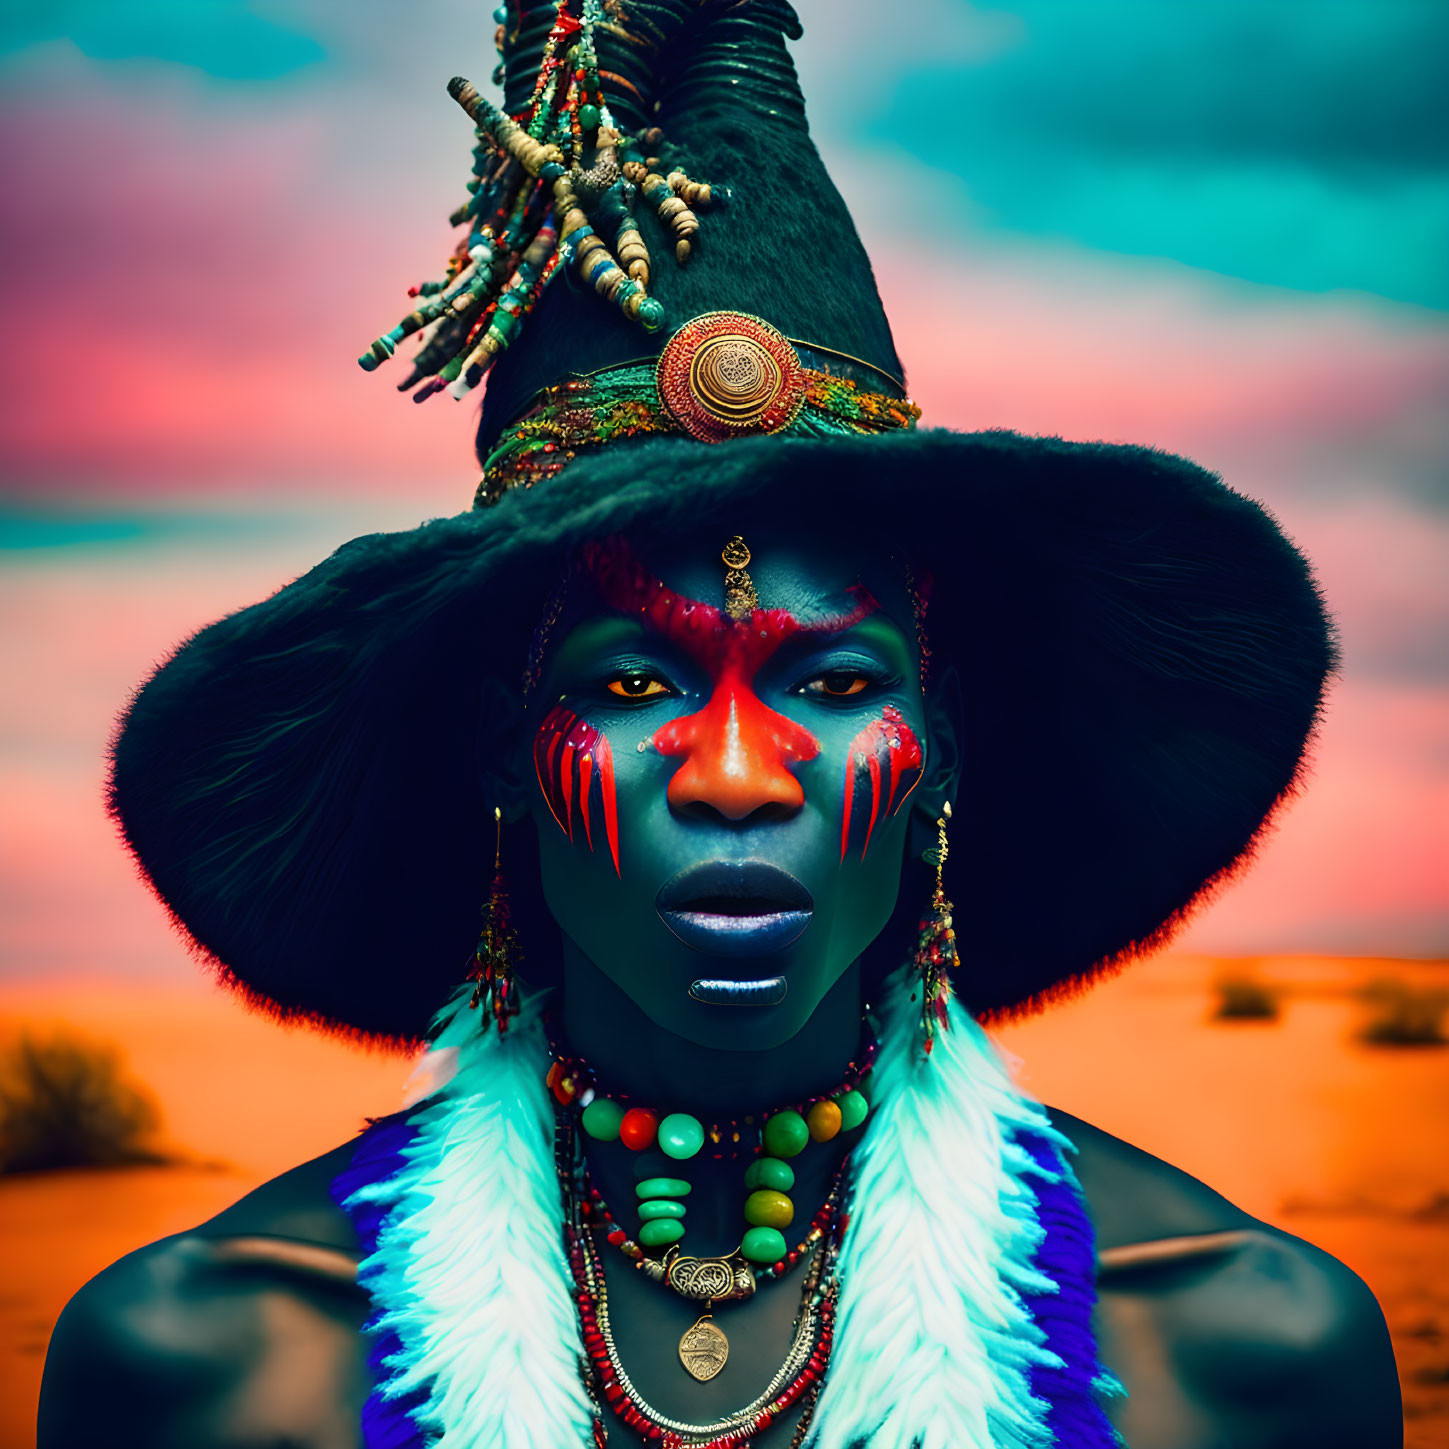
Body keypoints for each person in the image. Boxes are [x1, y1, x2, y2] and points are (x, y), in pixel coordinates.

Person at [39, 3, 1401, 1446]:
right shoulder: (203, 1373)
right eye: (631, 684)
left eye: (832, 683)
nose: (739, 774)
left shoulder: (1240, 1356)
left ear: (944, 740)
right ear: (499, 742)